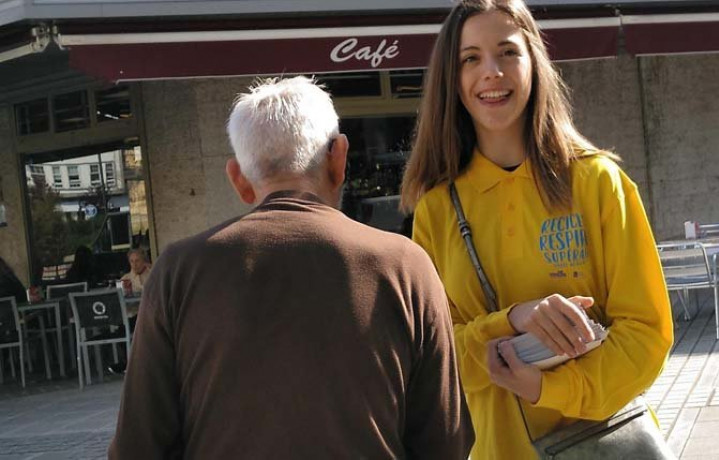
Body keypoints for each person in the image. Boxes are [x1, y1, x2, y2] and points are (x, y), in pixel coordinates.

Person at [109, 76, 473, 459]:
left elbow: (138, 446)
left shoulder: (177, 272)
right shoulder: (405, 266)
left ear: (239, 179)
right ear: (339, 158)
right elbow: (447, 441)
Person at [400, 1, 674, 458]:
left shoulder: (597, 182)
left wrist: (547, 387)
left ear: (534, 62)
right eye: (471, 58)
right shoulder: (436, 210)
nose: (491, 72)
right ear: (452, 79)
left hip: (603, 446)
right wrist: (512, 320)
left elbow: (647, 333)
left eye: (507, 52)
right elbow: (434, 359)